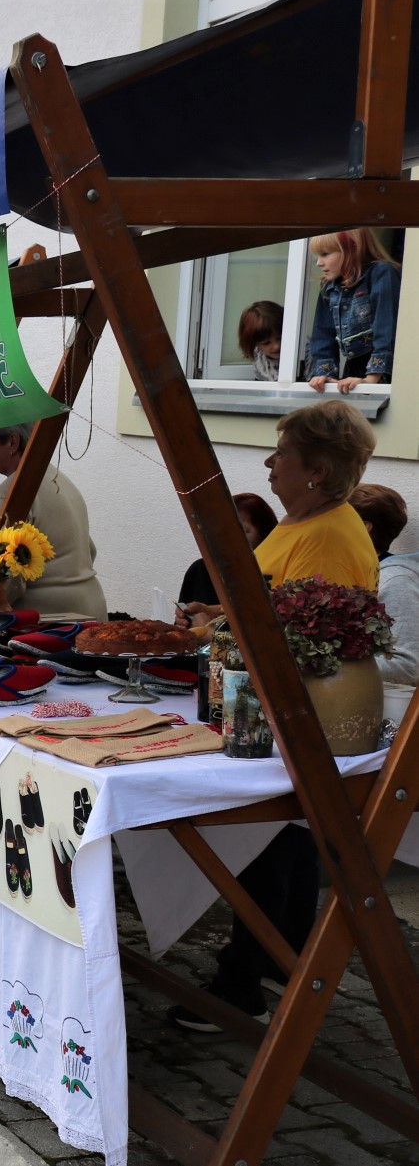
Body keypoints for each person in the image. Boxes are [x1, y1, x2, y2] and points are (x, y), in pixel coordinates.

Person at [171, 399, 378, 1033]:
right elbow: (267, 611)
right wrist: (215, 621)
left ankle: (254, 979)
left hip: (295, 714)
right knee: (272, 846)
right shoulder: (300, 524)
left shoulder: (332, 536)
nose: (269, 461)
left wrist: (222, 625)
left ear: (315, 469)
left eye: (282, 453)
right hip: (260, 704)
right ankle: (264, 970)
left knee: (272, 843)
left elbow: (313, 637)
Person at [0, 423, 107, 618]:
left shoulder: (12, 491)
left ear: (13, 442)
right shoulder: (61, 480)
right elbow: (89, 550)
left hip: (53, 622)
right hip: (92, 609)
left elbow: (6, 581)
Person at [348, 484, 419, 721]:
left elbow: (407, 665)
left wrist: (331, 668)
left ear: (365, 528)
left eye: (339, 521)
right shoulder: (359, 575)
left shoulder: (396, 580)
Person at [307, 229, 401, 393]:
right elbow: (323, 334)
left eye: (325, 254)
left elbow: (386, 328)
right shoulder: (328, 286)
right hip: (353, 370)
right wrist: (325, 374)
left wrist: (372, 378)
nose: (319, 263)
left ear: (352, 249)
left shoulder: (381, 273)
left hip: (385, 370)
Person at [176, 493, 277, 610]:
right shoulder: (201, 569)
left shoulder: (269, 573)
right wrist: (182, 619)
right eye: (227, 528)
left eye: (244, 531)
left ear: (265, 535)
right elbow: (180, 623)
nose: (232, 537)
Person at [238, 301, 284, 382]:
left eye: (280, 338)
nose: (276, 346)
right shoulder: (258, 356)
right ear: (254, 343)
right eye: (266, 343)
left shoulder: (305, 354)